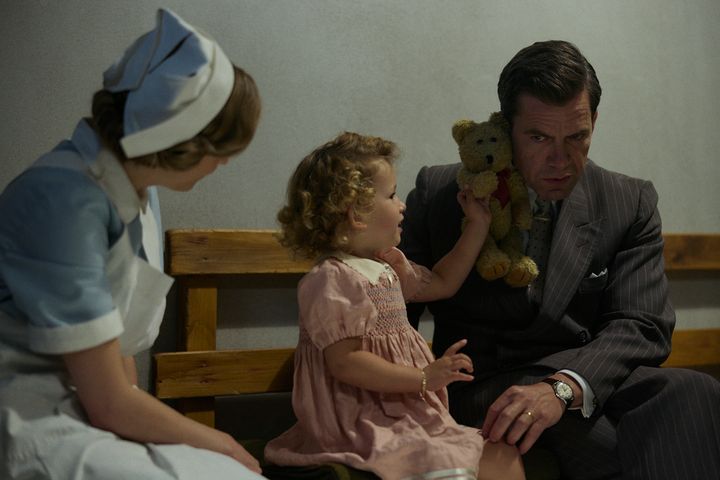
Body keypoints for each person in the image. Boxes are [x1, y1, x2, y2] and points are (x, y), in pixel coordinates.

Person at [400, 40, 720, 480]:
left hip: (579, 374)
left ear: (594, 122)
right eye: (538, 138)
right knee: (614, 442)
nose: (560, 160)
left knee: (694, 390)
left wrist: (563, 387)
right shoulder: (440, 192)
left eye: (577, 137)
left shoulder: (629, 200)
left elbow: (641, 324)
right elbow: (392, 315)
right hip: (483, 383)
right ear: (506, 126)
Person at [0, 9, 265, 479]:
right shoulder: (63, 200)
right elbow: (109, 401)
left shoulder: (134, 192)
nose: (222, 165)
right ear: (183, 141)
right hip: (27, 412)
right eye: (222, 152)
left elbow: (116, 359)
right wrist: (222, 442)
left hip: (84, 405)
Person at [263, 132, 526, 479]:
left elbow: (443, 282)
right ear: (357, 213)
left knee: (502, 453)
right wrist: (423, 377)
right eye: (391, 195)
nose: (402, 205)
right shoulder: (332, 279)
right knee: (446, 459)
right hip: (360, 416)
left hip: (404, 411)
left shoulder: (387, 264)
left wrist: (478, 225)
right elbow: (345, 363)